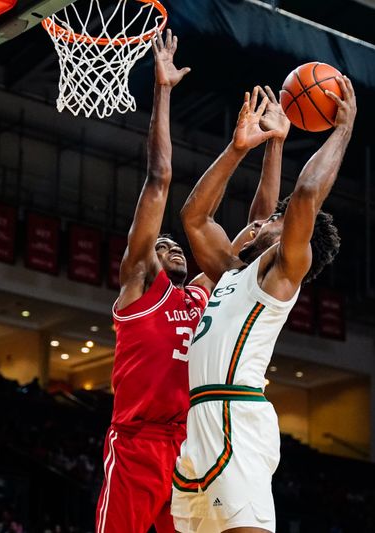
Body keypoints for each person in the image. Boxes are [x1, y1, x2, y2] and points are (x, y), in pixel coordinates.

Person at [97, 31, 288, 533]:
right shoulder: (140, 289)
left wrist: (272, 145)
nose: (173, 245)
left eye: (173, 243)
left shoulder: (204, 295)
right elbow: (160, 178)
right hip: (138, 444)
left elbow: (258, 238)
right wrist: (161, 91)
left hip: (193, 445)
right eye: (163, 244)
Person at [172, 79, 355, 533]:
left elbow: (306, 196)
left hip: (237, 419)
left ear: (294, 236)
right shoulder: (230, 271)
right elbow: (195, 216)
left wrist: (343, 129)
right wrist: (246, 148)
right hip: (200, 423)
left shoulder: (280, 277)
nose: (259, 224)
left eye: (276, 220)